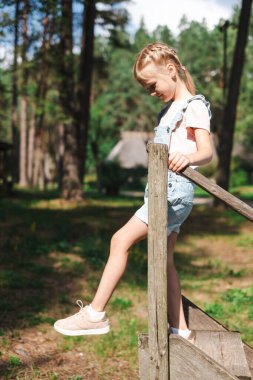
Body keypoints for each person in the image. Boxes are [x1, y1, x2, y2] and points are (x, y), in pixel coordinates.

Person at [54, 42, 213, 340]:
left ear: (170, 70)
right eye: (146, 89)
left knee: (119, 240)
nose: (151, 93)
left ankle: (95, 315)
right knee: (165, 261)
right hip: (162, 190)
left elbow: (206, 151)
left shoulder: (194, 106)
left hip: (173, 192)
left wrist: (188, 157)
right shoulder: (170, 110)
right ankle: (181, 330)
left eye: (153, 85)